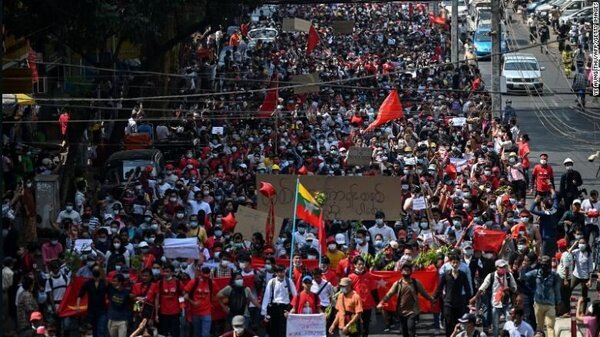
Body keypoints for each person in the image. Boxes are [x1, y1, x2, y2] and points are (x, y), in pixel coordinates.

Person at [378, 263, 435, 337]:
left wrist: (431, 299)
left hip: (412, 311)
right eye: (404, 270)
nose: (406, 272)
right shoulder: (398, 284)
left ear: (411, 272)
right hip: (401, 311)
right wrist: (381, 302)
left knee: (411, 329)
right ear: (401, 272)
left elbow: (424, 293)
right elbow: (389, 294)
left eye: (408, 270)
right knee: (404, 331)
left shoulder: (415, 282)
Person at [470, 259, 517, 337]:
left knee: (509, 323)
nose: (503, 269)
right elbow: (482, 288)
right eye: (501, 267)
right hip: (495, 303)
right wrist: (475, 298)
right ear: (496, 268)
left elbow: (514, 288)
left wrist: (508, 288)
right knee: (495, 326)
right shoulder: (491, 276)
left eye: (504, 267)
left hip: (506, 303)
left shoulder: (509, 276)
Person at [521, 256, 561, 337]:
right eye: (542, 265)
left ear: (549, 265)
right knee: (540, 328)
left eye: (545, 265)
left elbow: (557, 290)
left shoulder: (555, 276)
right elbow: (523, 277)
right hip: (538, 304)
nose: (543, 267)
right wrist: (523, 268)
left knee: (550, 326)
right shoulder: (536, 273)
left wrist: (558, 303)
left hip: (550, 304)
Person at [436, 254, 472, 337]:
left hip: (460, 303)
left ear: (459, 263)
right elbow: (439, 288)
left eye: (457, 263)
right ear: (450, 263)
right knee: (448, 323)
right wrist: (434, 298)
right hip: (448, 303)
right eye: (453, 262)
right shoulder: (446, 275)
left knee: (460, 324)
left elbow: (467, 289)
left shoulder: (463, 275)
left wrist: (470, 300)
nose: (455, 264)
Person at [261, 265, 296, 337]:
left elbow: (295, 295)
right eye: (279, 272)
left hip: (285, 308)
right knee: (273, 329)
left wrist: (293, 309)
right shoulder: (272, 282)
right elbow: (267, 296)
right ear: (276, 273)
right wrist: (264, 311)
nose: (282, 274)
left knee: (284, 329)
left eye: (283, 272)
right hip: (274, 307)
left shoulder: (289, 281)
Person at [184, 269, 213, 337]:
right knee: (197, 334)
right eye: (204, 276)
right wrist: (193, 303)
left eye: (207, 277)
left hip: (207, 313)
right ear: (201, 274)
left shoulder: (211, 283)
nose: (206, 278)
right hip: (195, 313)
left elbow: (218, 293)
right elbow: (185, 295)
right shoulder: (194, 282)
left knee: (205, 335)